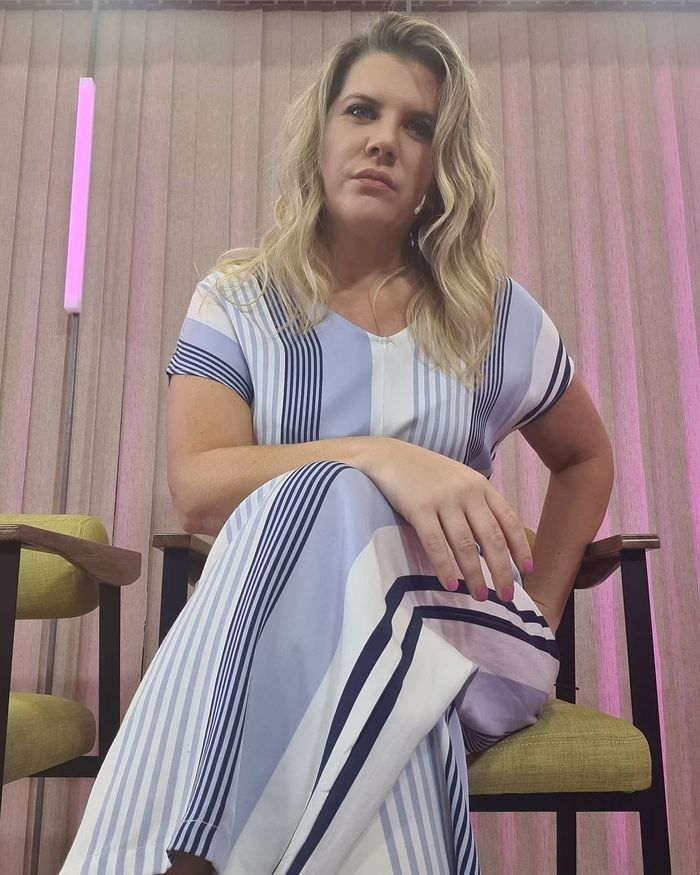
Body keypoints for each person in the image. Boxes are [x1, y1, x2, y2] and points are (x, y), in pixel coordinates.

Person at [59, 12, 613, 875]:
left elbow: (586, 457)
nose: (384, 139)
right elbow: (199, 488)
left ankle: (190, 855)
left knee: (327, 500)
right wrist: (376, 453)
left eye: (417, 126)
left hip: (458, 638)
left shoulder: (490, 312)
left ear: (439, 165)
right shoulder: (238, 299)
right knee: (328, 498)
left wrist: (541, 605)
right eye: (361, 111)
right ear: (320, 134)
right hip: (290, 646)